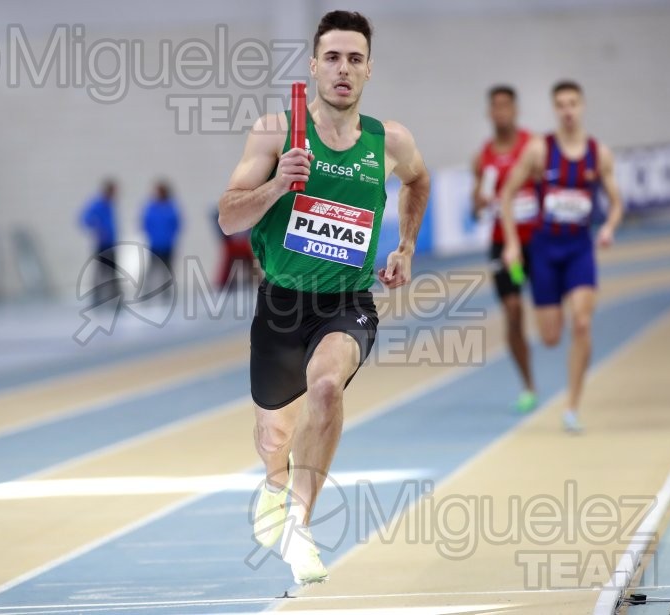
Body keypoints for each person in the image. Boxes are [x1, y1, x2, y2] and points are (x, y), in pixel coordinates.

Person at [218, 10, 430, 584]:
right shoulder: (275, 132)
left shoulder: (391, 141)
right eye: (333, 57)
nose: (343, 69)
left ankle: (300, 526)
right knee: (274, 437)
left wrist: (405, 247)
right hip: (282, 304)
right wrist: (278, 183)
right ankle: (273, 483)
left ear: (368, 71)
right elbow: (227, 218)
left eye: (355, 59)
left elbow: (418, 180)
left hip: (348, 300)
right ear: (314, 66)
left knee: (327, 388)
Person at [499, 80, 624, 433]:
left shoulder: (599, 154)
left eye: (573, 103)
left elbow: (617, 203)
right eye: (561, 104)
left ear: (582, 106)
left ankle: (571, 407)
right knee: (551, 336)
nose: (568, 110)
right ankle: (562, 388)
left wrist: (609, 227)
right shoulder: (540, 150)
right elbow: (507, 194)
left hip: (579, 249)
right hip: (544, 249)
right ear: (555, 109)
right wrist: (511, 244)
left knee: (582, 323)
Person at [471, 85, 538, 413]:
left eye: (506, 106)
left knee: (546, 310)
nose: (501, 112)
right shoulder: (483, 158)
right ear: (489, 113)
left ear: (515, 110)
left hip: (537, 241)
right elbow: (475, 211)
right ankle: (528, 384)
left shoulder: (532, 146)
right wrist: (479, 203)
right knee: (513, 313)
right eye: (495, 107)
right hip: (503, 245)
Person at [80, 180, 120, 307]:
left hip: (111, 243)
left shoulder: (109, 204)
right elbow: (84, 218)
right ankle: (96, 297)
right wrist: (98, 229)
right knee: (100, 271)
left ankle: (114, 297)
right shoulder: (98, 203)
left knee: (112, 271)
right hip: (102, 244)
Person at [141, 180, 180, 300]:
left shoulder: (171, 207)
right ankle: (146, 292)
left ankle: (167, 294)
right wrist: (151, 235)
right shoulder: (151, 207)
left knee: (167, 271)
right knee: (151, 270)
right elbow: (145, 223)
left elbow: (176, 224)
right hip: (154, 244)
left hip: (168, 245)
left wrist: (170, 237)